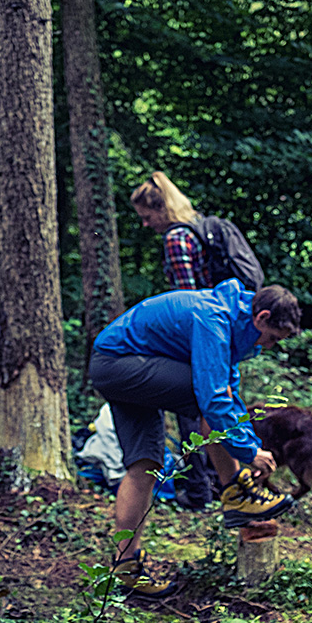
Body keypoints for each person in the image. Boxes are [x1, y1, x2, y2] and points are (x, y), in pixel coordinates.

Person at [89, 279, 302, 598]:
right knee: (208, 399)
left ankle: (125, 566)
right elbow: (215, 401)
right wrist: (248, 453)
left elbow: (229, 393)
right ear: (262, 317)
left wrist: (250, 445)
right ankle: (237, 494)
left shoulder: (232, 324)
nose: (269, 345)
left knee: (145, 466)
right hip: (118, 364)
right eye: (272, 337)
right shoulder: (213, 318)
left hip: (125, 367)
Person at [130, 171, 219, 508]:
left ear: (162, 210)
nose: (145, 224)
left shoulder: (176, 239)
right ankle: (217, 485)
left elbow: (188, 300)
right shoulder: (196, 230)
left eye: (147, 216)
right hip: (214, 334)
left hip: (197, 338)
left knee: (190, 413)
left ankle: (199, 493)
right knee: (212, 407)